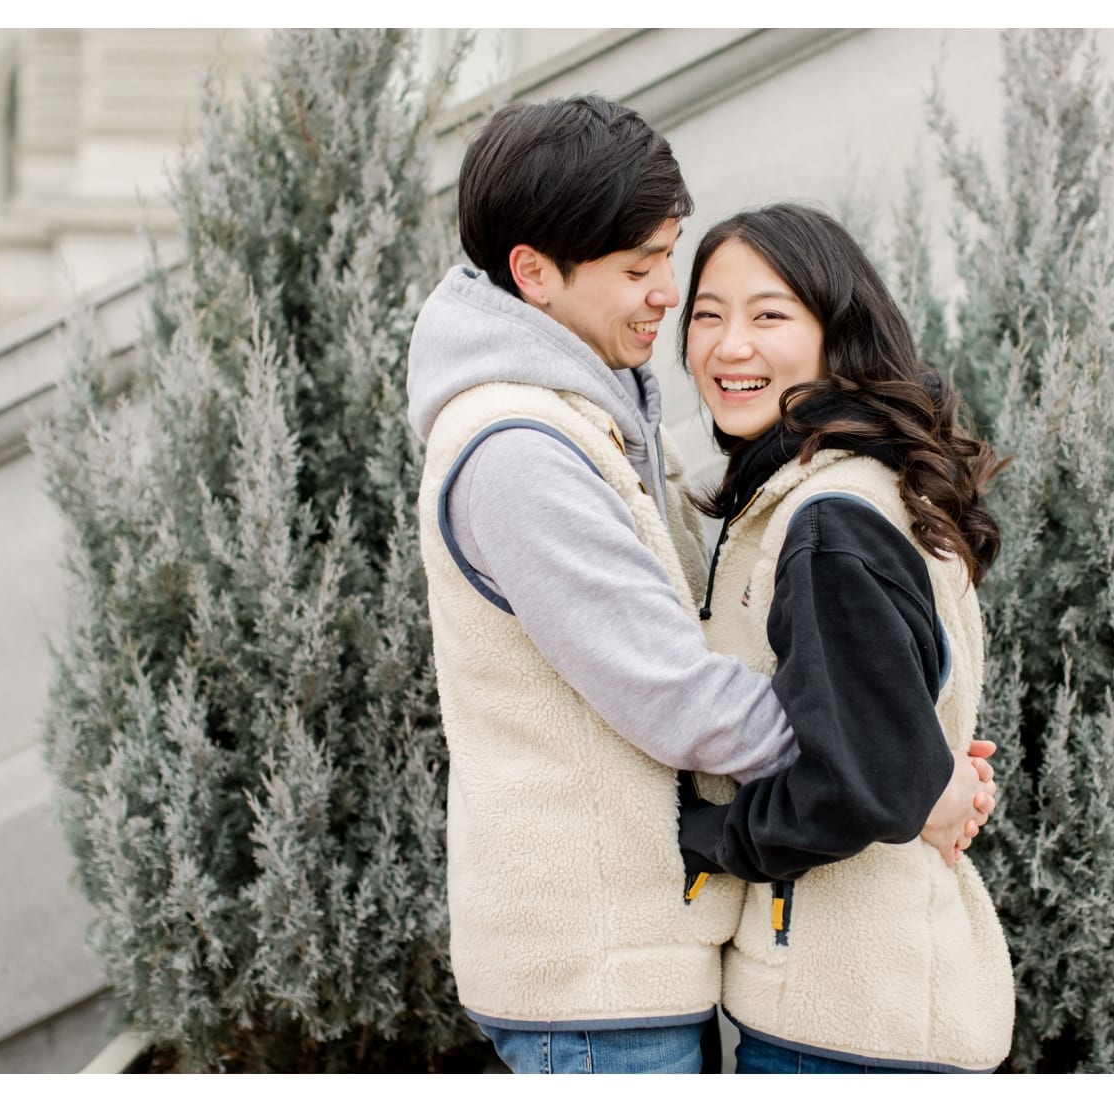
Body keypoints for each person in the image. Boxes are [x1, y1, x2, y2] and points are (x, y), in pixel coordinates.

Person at [408, 96, 997, 1074]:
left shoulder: (773, 480)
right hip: (594, 968)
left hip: (704, 971)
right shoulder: (523, 449)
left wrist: (887, 763)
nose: (669, 298)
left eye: (668, 261)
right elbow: (675, 692)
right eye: (642, 269)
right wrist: (900, 775)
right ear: (534, 273)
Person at [676, 203, 1016, 1073]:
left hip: (855, 1020)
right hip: (871, 1005)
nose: (728, 345)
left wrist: (701, 836)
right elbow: (898, 746)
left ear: (839, 333)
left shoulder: (830, 519)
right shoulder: (856, 490)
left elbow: (863, 783)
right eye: (707, 314)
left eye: (769, 314)